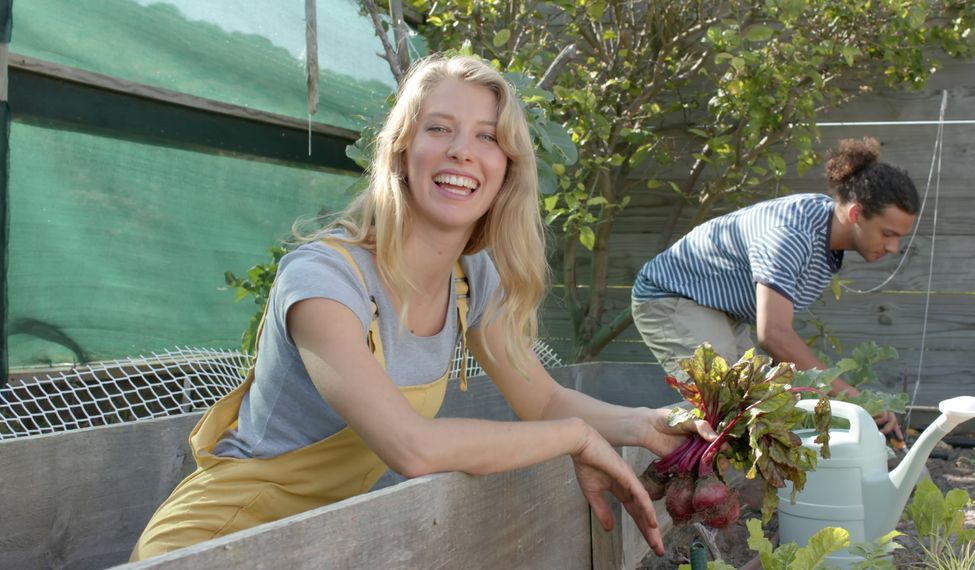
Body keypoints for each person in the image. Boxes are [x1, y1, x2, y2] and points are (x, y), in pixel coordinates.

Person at [130, 55, 715, 560]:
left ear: (507, 167)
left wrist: (645, 424)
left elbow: (542, 397)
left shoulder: (472, 278)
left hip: (316, 544)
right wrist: (577, 438)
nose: (463, 151)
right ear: (402, 150)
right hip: (213, 543)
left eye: (488, 136)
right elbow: (413, 446)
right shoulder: (323, 280)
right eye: (440, 128)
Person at [631, 138, 918, 440]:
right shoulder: (791, 234)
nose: (894, 248)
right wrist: (854, 399)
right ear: (856, 213)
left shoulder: (826, 231)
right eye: (888, 234)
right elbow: (775, 335)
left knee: (764, 408)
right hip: (673, 300)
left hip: (719, 309)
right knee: (726, 413)